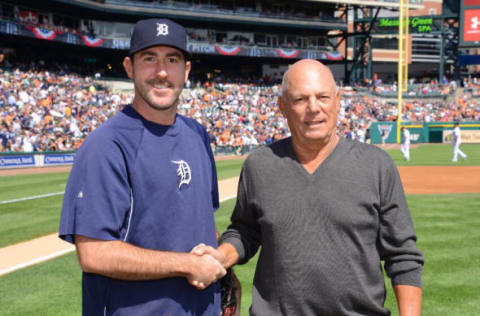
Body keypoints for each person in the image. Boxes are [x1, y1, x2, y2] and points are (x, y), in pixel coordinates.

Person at [193, 60, 424, 315]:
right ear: (283, 107)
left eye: (322, 97)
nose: (313, 108)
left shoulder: (377, 165)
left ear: (338, 101)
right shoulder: (259, 165)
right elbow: (245, 231)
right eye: (301, 99)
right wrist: (222, 256)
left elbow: (403, 255)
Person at [59, 18, 226, 315]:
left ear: (186, 70)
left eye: (172, 60)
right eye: (149, 59)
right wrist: (187, 264)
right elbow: (94, 253)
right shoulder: (106, 145)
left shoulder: (197, 134)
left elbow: (202, 222)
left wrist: (226, 279)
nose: (161, 72)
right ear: (129, 67)